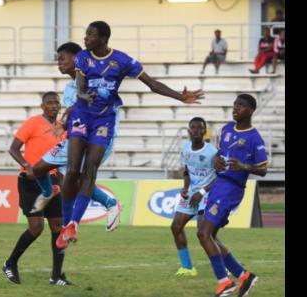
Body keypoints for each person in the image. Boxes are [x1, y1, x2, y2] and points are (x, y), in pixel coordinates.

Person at [56, 20, 205, 249]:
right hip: (81, 116)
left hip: (104, 120)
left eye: (90, 35)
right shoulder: (83, 58)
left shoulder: (123, 61)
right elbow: (80, 85)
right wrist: (84, 96)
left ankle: (73, 224)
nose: (85, 38)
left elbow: (152, 84)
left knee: (90, 170)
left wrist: (180, 97)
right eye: (86, 34)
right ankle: (67, 224)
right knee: (72, 170)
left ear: (103, 38)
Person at [30, 42, 121, 232]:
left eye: (63, 58)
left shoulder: (96, 78)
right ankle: (49, 192)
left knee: (76, 178)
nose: (59, 63)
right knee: (39, 169)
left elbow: (85, 106)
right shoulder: (70, 87)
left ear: (77, 58)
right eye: (58, 60)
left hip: (98, 138)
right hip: (75, 139)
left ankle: (106, 206)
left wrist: (63, 122)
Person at [197, 94, 268, 297]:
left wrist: (244, 166)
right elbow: (221, 153)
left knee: (203, 233)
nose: (236, 108)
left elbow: (263, 170)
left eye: (241, 106)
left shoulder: (255, 138)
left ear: (251, 110)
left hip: (231, 189)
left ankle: (225, 282)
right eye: (235, 105)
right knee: (209, 235)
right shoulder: (227, 129)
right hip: (219, 184)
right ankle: (243, 275)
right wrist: (216, 159)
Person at [2, 92, 72, 286]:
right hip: (30, 181)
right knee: (36, 227)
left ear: (59, 107)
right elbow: (13, 148)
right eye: (49, 103)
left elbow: (60, 157)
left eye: (56, 103)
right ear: (42, 106)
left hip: (53, 182)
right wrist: (28, 165)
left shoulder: (61, 129)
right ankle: (10, 263)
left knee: (58, 227)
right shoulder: (33, 123)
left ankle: (56, 276)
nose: (53, 106)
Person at [171, 117, 217, 277]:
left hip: (208, 193)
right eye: (193, 128)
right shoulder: (185, 148)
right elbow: (186, 170)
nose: (196, 131)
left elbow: (220, 176)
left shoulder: (212, 152)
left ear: (204, 131)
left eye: (200, 128)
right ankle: (188, 267)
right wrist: (185, 188)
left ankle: (222, 267)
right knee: (176, 227)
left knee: (204, 234)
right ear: (189, 130)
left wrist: (202, 192)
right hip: (192, 192)